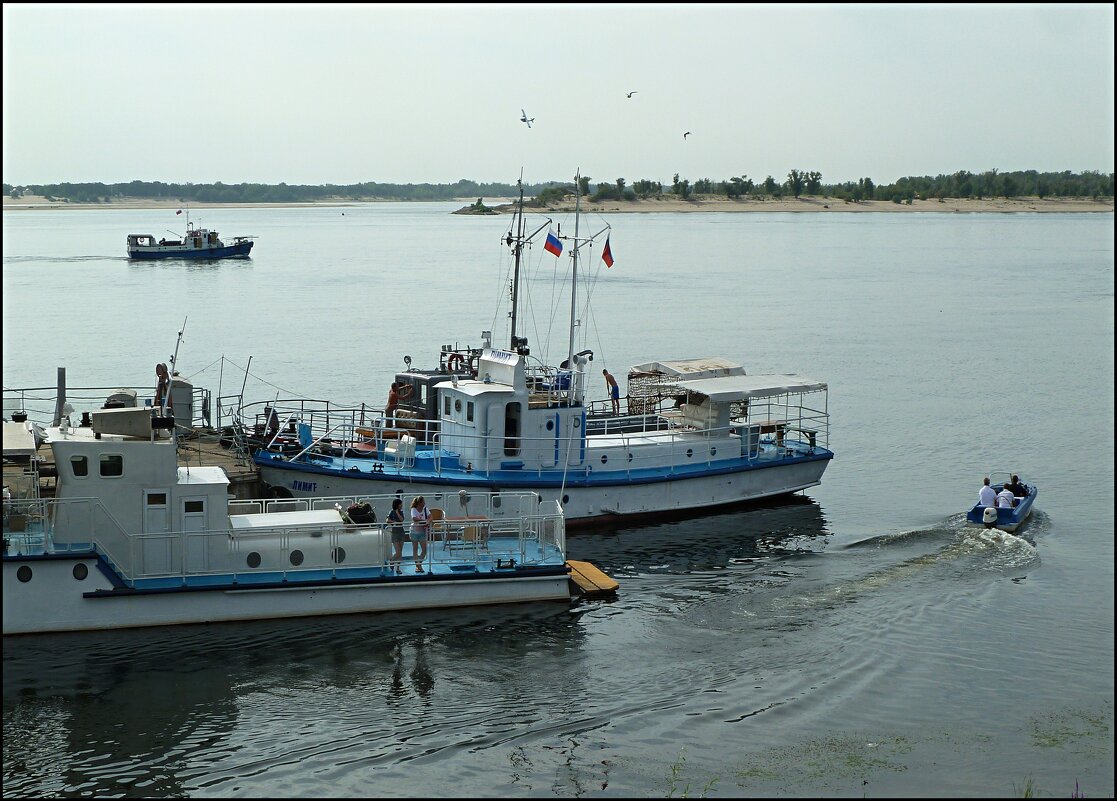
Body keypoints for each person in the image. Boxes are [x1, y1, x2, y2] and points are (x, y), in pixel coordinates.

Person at [410, 495, 431, 572]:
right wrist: (423, 521)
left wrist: (428, 522)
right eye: (423, 501)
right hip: (414, 531)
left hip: (422, 531)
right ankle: (418, 566)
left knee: (424, 550)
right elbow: (414, 518)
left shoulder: (425, 509)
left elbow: (430, 517)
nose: (424, 503)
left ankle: (419, 564)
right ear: (420, 503)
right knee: (415, 549)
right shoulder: (413, 509)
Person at [386, 497, 407, 574]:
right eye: (400, 504)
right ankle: (392, 561)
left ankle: (398, 568)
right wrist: (393, 521)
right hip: (395, 533)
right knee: (398, 551)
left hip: (401, 532)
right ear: (397, 505)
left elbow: (401, 520)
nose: (401, 505)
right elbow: (387, 520)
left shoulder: (401, 512)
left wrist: (397, 512)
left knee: (400, 551)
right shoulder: (391, 512)